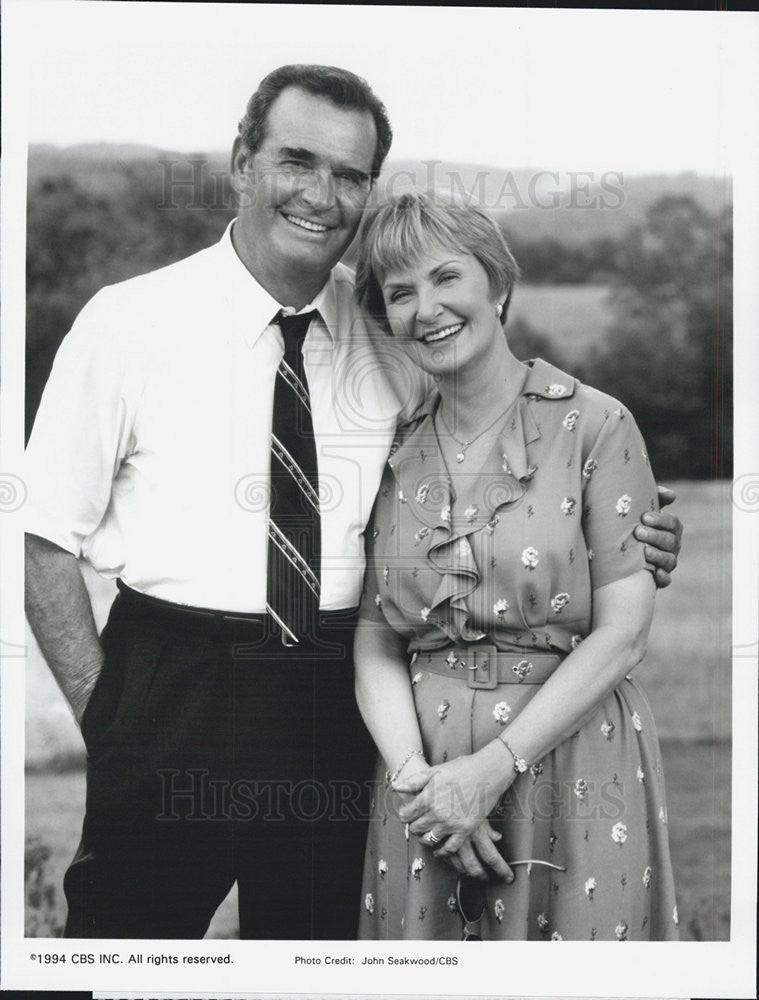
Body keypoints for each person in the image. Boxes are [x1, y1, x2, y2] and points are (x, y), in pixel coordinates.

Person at [24, 65, 682, 941]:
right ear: (240, 163)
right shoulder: (128, 322)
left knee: (325, 960)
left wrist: (637, 531)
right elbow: (39, 540)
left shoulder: (389, 326)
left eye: (350, 175)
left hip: (343, 693)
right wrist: (108, 721)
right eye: (297, 161)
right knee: (121, 955)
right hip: (173, 687)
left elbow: (508, 445)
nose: (322, 195)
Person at [353, 189, 679, 941]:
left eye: (445, 278)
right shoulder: (389, 447)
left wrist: (492, 769)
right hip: (420, 781)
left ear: (497, 286)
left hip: (569, 764)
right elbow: (374, 638)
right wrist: (421, 786)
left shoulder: (595, 424)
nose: (424, 308)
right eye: (400, 293)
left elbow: (623, 633)